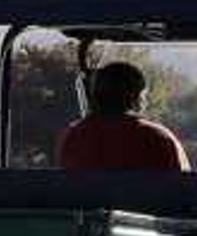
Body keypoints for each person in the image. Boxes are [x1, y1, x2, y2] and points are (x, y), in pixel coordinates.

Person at [56, 61, 187, 173]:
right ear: (138, 98)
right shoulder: (159, 137)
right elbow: (183, 189)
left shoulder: (73, 137)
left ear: (95, 96)